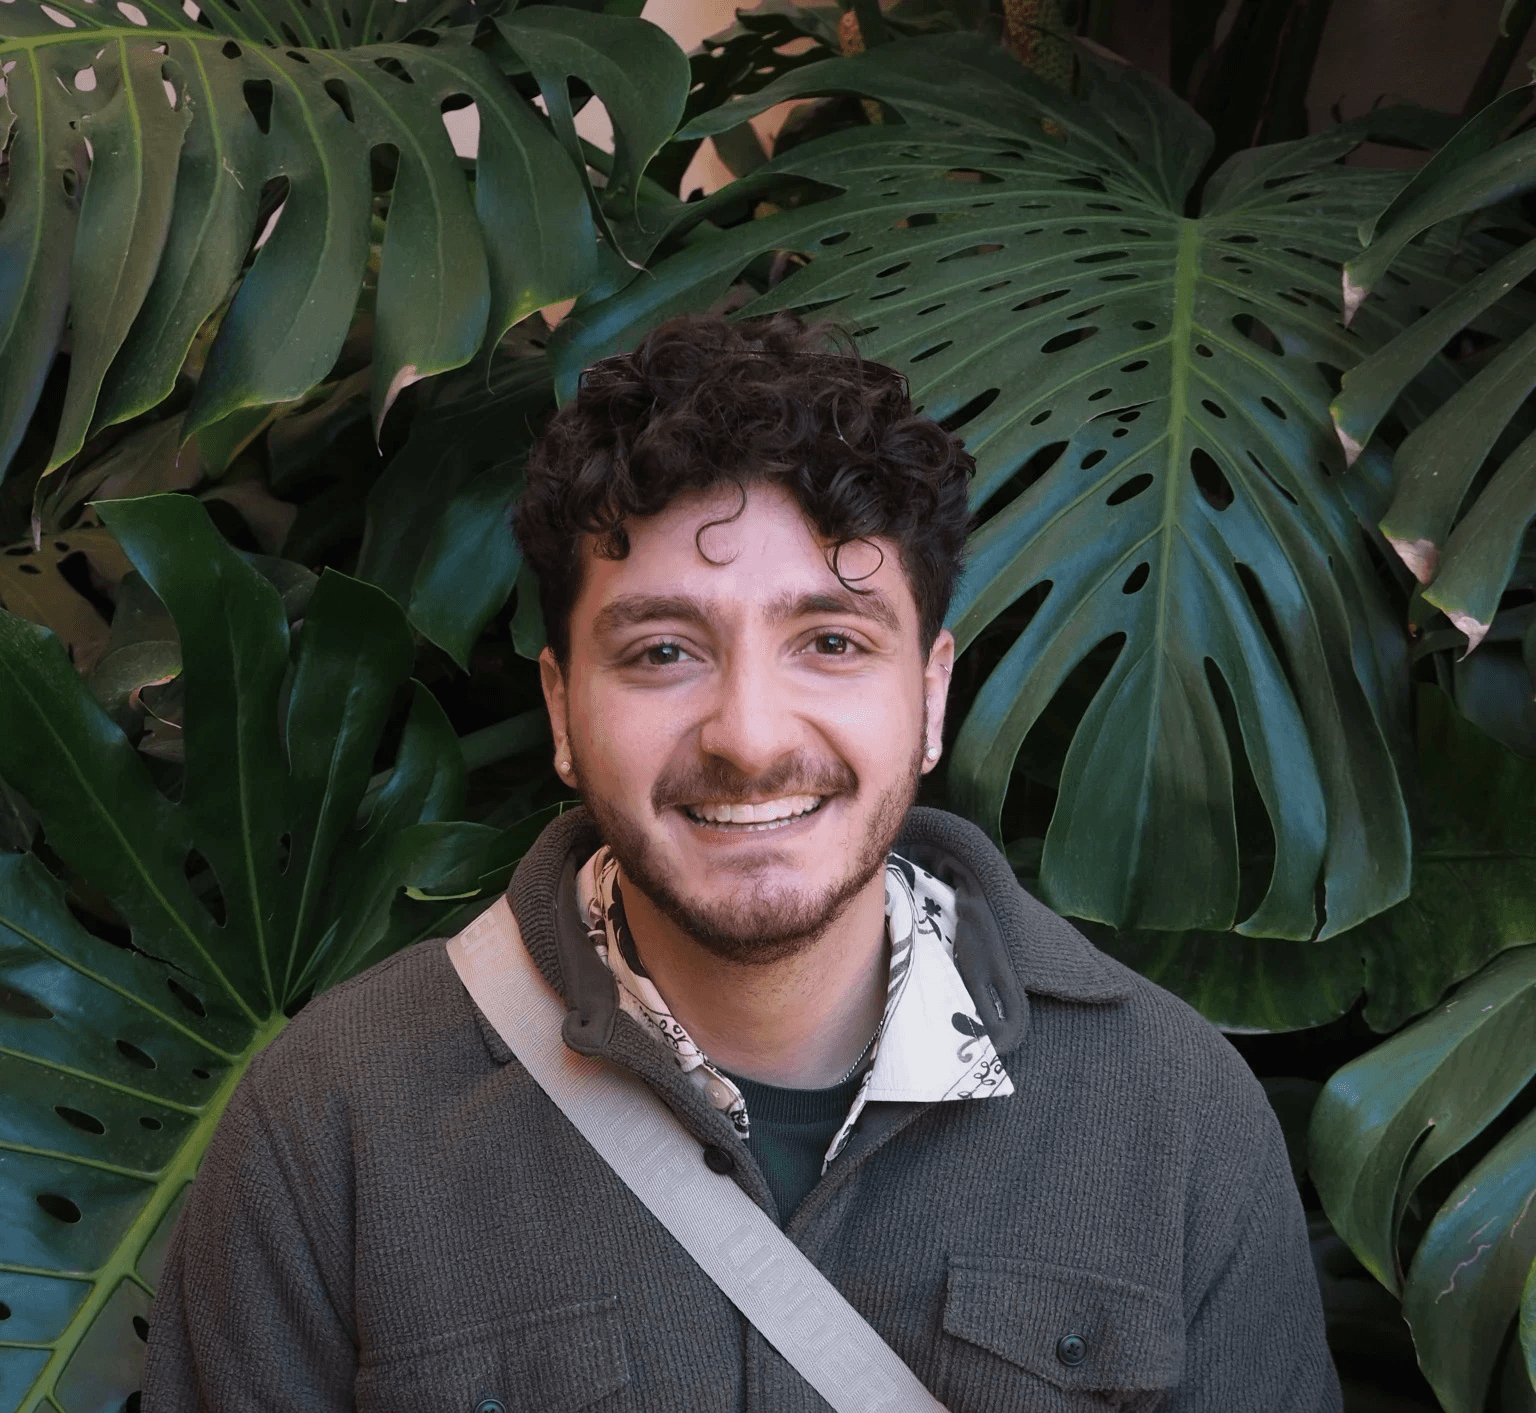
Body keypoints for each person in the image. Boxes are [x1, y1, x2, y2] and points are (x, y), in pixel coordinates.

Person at [143, 313, 1340, 1411]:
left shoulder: (1172, 1117)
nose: (750, 736)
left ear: (930, 697)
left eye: (830, 641)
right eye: (663, 651)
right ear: (562, 709)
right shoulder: (332, 1124)